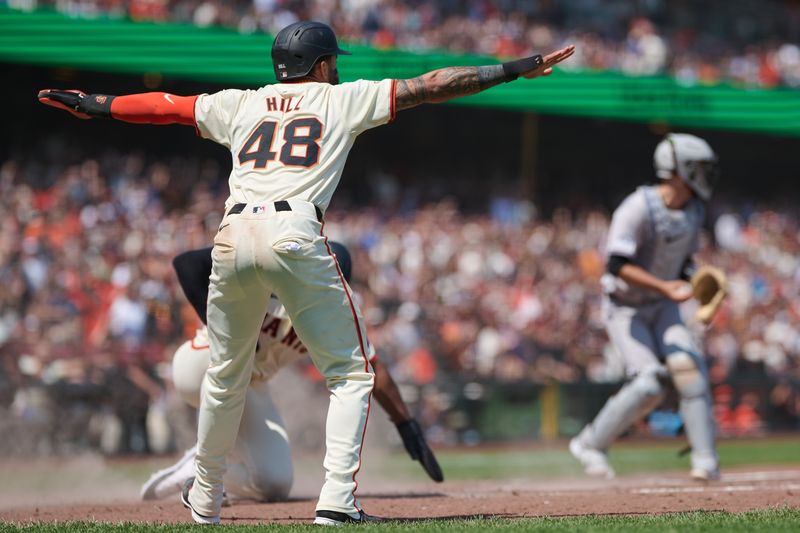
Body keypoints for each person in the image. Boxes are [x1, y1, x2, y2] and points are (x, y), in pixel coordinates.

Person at [38, 21, 574, 524]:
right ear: (319, 65)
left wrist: (100, 105)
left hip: (232, 233)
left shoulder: (241, 103)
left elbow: (166, 107)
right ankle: (337, 501)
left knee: (226, 379)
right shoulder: (341, 98)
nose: (337, 68)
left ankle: (204, 500)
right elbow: (433, 84)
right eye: (332, 61)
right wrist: (513, 68)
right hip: (294, 232)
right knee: (352, 374)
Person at [139, 242, 443, 503]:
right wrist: (226, 333)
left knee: (274, 483)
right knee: (233, 372)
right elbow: (188, 263)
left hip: (251, 384)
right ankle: (209, 472)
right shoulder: (271, 272)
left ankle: (195, 469)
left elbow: (369, 364)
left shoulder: (333, 313)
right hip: (202, 363)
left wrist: (405, 423)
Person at [569, 133, 720, 481]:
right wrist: (666, 286)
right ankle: (590, 443)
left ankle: (706, 462)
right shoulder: (638, 206)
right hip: (626, 308)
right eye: (700, 167)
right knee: (650, 384)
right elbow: (617, 264)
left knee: (689, 371)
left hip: (663, 306)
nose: (707, 174)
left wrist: (697, 285)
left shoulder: (694, 211)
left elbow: (682, 264)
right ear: (680, 168)